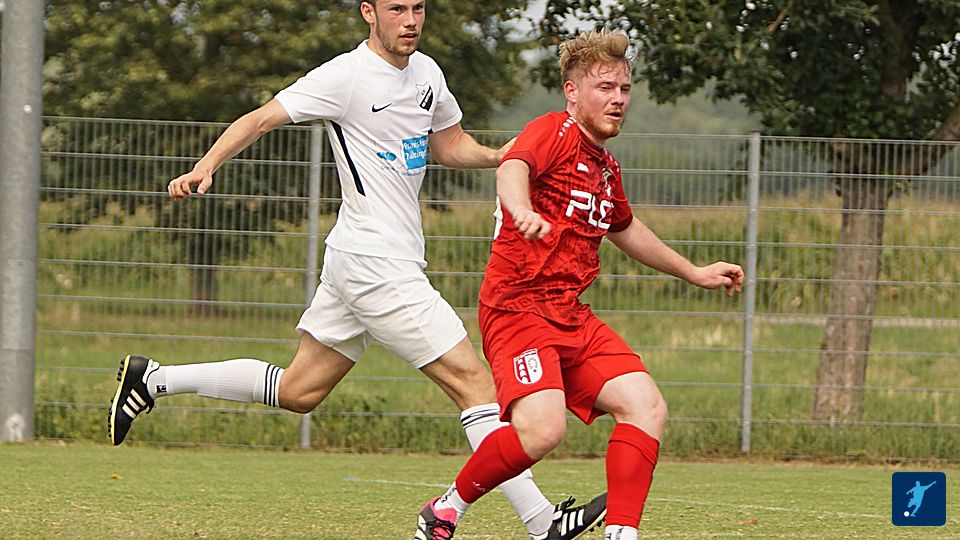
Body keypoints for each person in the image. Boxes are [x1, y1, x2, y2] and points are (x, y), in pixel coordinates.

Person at [107, 1, 605, 539]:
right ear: (369, 12)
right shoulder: (345, 75)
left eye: (418, 8)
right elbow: (261, 118)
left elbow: (448, 144)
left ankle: (153, 379)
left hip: (361, 258)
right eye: (397, 8)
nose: (410, 20)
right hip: (375, 263)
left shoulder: (427, 72)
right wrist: (205, 166)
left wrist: (497, 155)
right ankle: (542, 522)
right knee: (476, 385)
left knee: (299, 390)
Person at [413, 29, 745, 540]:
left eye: (624, 89)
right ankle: (446, 508)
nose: (618, 99)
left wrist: (693, 272)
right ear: (572, 92)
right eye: (605, 87)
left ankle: (621, 533)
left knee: (646, 405)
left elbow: (625, 229)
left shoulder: (605, 167)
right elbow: (512, 168)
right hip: (518, 310)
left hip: (570, 314)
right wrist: (520, 208)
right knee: (543, 430)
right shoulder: (552, 130)